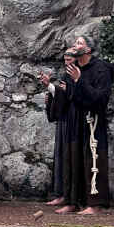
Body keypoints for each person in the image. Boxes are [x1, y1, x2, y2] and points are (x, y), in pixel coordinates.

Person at [54, 36, 114, 215]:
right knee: (73, 159)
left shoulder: (101, 68)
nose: (75, 46)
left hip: (93, 120)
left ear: (88, 50)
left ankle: (95, 204)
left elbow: (100, 98)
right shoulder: (73, 68)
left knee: (93, 159)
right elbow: (69, 95)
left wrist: (80, 80)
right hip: (76, 121)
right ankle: (73, 201)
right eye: (75, 43)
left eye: (79, 43)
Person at [39, 49, 78, 206]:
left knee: (69, 158)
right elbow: (61, 96)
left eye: (70, 60)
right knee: (60, 156)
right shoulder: (65, 75)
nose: (67, 63)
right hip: (64, 120)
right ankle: (60, 194)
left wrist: (51, 87)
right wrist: (51, 93)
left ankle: (69, 197)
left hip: (74, 122)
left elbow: (70, 95)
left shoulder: (79, 76)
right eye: (65, 60)